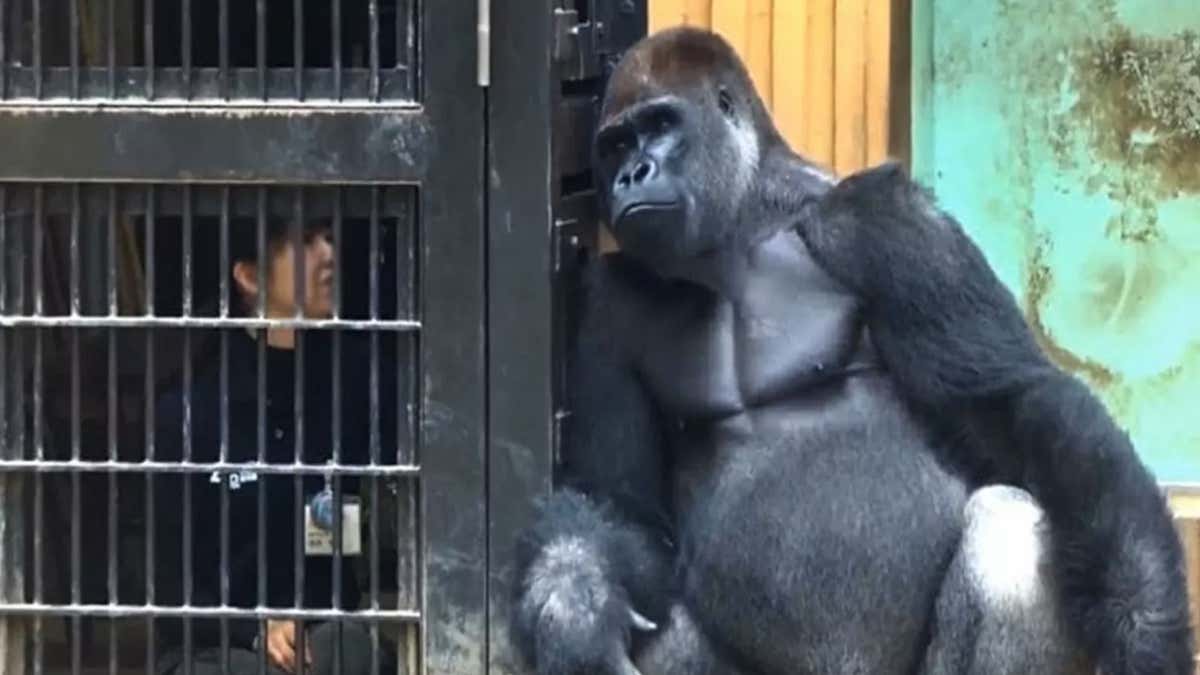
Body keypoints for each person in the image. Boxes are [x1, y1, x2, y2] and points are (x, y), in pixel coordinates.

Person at [151, 216, 400, 675]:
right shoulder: (193, 407)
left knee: (353, 655)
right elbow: (169, 584)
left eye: (329, 236)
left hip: (320, 634)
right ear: (248, 276)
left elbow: (338, 546)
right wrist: (255, 629)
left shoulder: (351, 383)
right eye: (305, 241)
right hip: (213, 643)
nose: (328, 253)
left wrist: (302, 623)